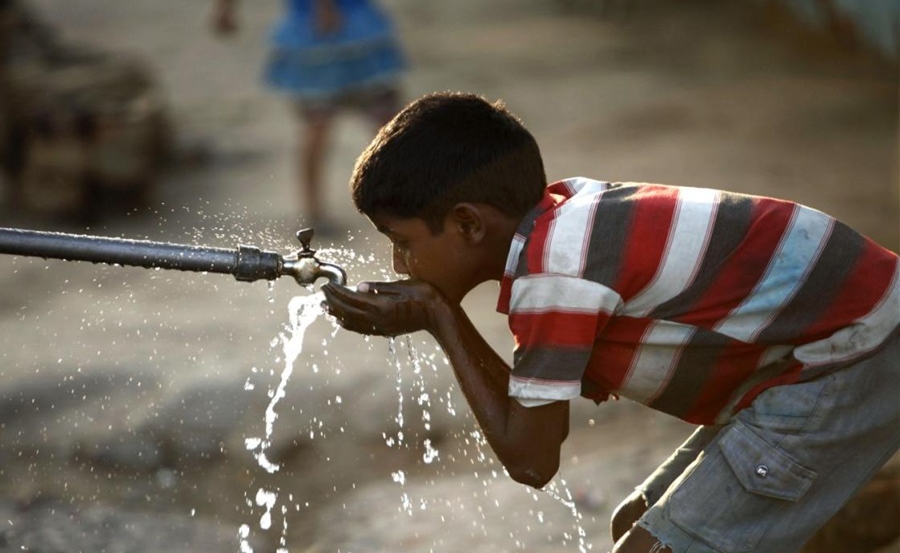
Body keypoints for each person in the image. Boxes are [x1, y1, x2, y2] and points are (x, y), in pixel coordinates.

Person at [321, 91, 899, 552]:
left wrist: (439, 318)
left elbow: (531, 459)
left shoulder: (557, 274)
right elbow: (531, 421)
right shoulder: (559, 223)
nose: (399, 264)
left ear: (470, 224)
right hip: (832, 344)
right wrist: (438, 314)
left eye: (402, 243)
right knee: (640, 521)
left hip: (852, 353)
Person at [213, 0, 406, 232]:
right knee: (385, 126)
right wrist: (324, 1)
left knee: (322, 127)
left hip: (314, 34)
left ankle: (316, 212)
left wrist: (224, 2)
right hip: (347, 29)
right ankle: (405, 203)